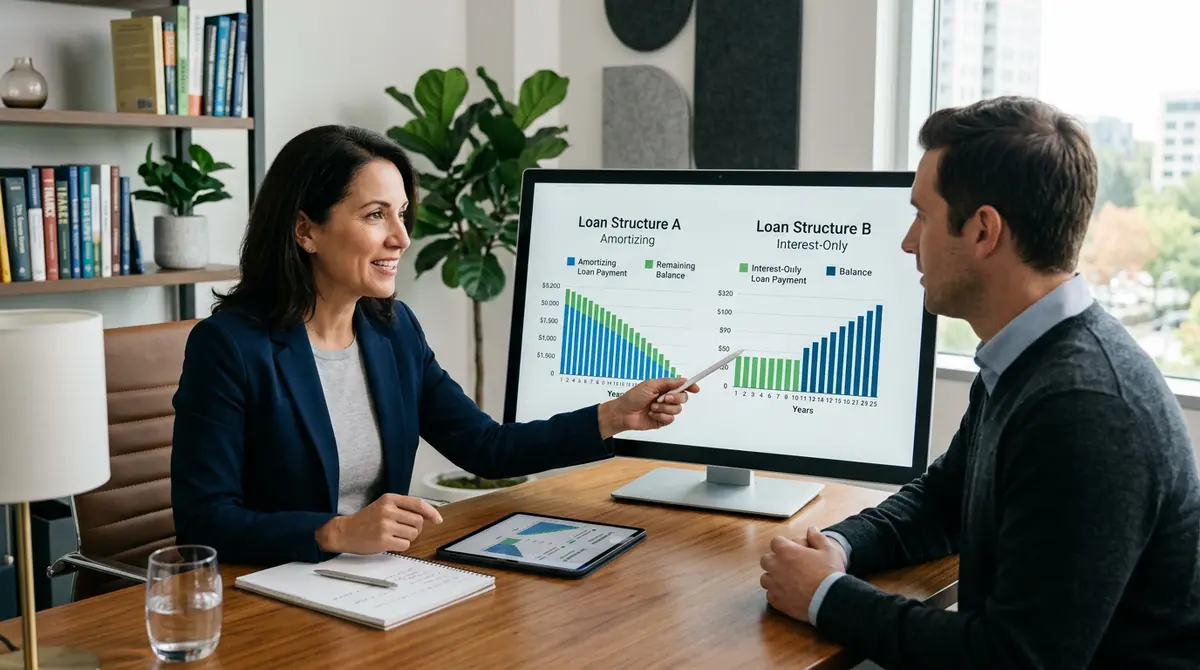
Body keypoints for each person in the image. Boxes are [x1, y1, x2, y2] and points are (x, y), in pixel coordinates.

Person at [759, 96, 1200, 669]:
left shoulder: (1085, 409)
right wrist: (835, 550)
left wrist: (825, 597)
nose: (908, 242)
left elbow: (1015, 660)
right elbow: (943, 502)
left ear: (984, 230)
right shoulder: (1022, 356)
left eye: (922, 215)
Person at [170, 124, 698, 566]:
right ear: (305, 230)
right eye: (376, 215)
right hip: (270, 593)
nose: (401, 237)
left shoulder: (393, 330)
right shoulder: (229, 346)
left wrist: (613, 417)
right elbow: (205, 521)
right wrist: (333, 532)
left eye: (401, 213)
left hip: (377, 581)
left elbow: (486, 449)